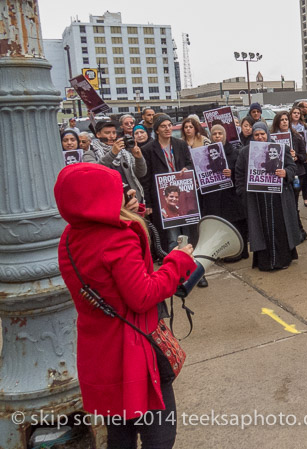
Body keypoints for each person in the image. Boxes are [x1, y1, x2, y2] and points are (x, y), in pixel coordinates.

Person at [56, 163, 196, 449]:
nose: (125, 192)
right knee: (160, 435)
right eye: (116, 188)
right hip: (134, 349)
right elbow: (143, 295)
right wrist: (178, 260)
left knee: (120, 432)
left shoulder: (69, 237)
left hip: (100, 349)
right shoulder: (118, 238)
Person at [235, 121, 301, 271]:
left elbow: (292, 167)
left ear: (267, 134)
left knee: (280, 226)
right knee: (261, 229)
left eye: (262, 134)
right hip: (257, 199)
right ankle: (265, 262)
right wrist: (242, 192)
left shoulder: (281, 149)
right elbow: (239, 174)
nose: (260, 137)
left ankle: (283, 259)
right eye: (256, 135)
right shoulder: (246, 152)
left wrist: (286, 173)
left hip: (278, 197)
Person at [141, 114, 195, 253]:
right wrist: (148, 203)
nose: (167, 129)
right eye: (163, 126)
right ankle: (174, 261)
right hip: (164, 198)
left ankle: (189, 261)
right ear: (157, 130)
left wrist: (187, 169)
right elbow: (145, 178)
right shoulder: (148, 149)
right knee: (172, 235)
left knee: (187, 231)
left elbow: (190, 163)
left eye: (169, 125)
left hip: (183, 194)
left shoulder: (180, 144)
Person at [207, 124, 248, 262]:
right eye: (214, 134)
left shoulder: (235, 152)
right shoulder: (206, 154)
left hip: (232, 196)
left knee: (237, 224)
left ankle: (240, 252)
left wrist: (232, 173)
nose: (217, 136)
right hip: (217, 196)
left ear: (225, 135)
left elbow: (242, 172)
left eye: (220, 133)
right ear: (211, 136)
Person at [271, 110, 307, 241]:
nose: (284, 122)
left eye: (286, 119)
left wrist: (296, 156)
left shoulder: (297, 137)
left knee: (293, 204)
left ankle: (300, 232)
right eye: (281, 120)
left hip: (296, 175)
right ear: (277, 122)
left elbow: (305, 157)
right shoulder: (271, 138)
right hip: (279, 176)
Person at [98, 121, 148, 206]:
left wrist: (139, 158)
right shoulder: (91, 152)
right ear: (98, 135)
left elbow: (141, 173)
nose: (111, 136)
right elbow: (95, 172)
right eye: (107, 133)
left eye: (114, 133)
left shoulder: (124, 152)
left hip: (132, 200)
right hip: (110, 203)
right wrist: (112, 153)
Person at [289, 106, 307, 206]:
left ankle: (306, 198)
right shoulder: (288, 127)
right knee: (296, 181)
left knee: (306, 179)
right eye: (294, 113)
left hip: (305, 155)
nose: (296, 115)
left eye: (298, 113)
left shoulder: (305, 127)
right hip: (294, 157)